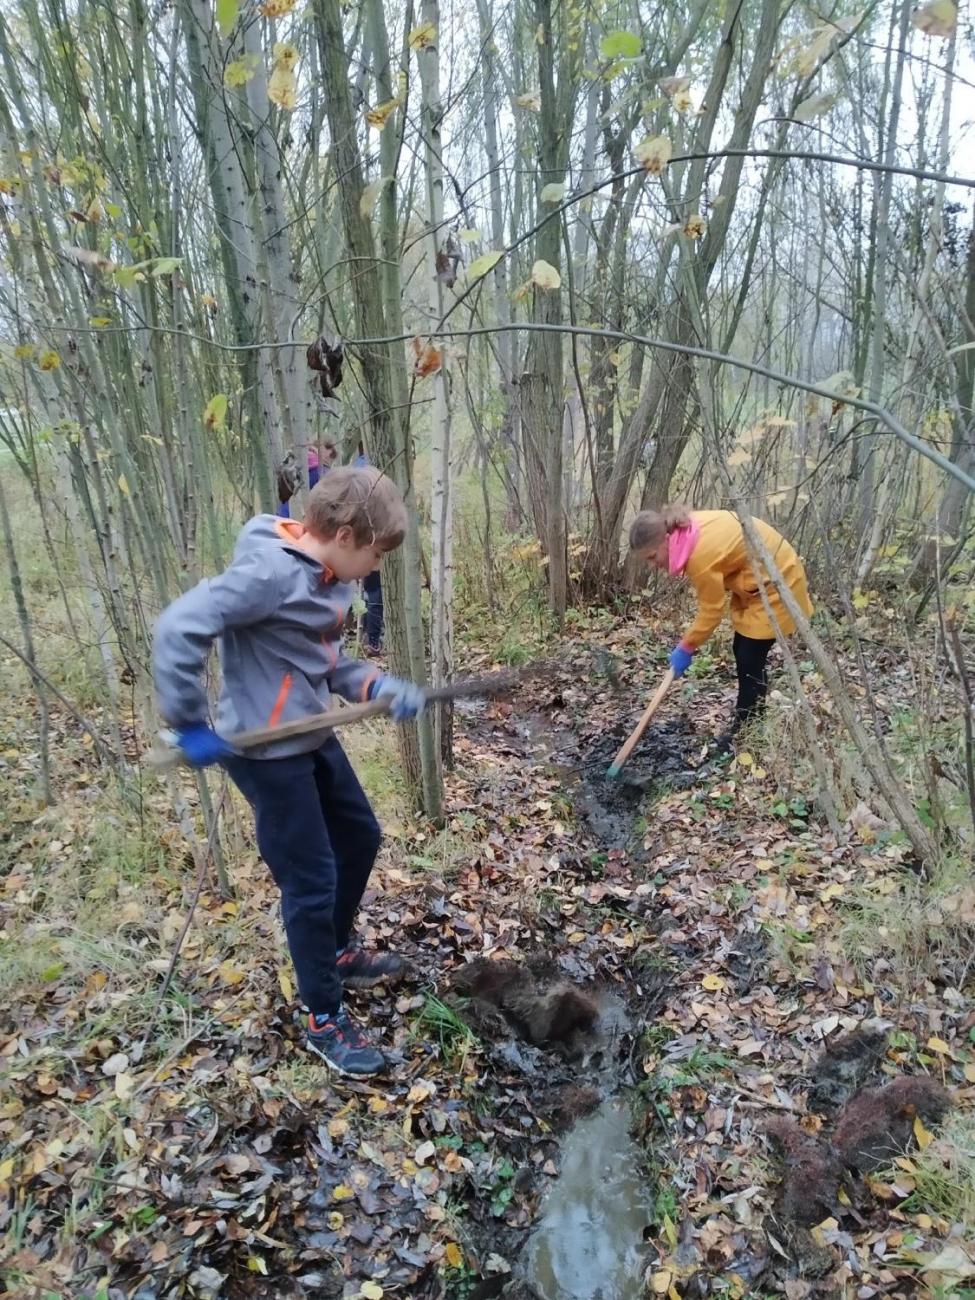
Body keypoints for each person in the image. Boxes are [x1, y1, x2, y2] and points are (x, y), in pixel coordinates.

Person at [153, 466, 425, 1076]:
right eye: (377, 554)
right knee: (310, 882)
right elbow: (178, 626)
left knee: (360, 837)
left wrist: (377, 684)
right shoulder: (270, 572)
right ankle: (322, 1017)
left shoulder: (325, 577)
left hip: (309, 735)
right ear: (349, 534)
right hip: (266, 754)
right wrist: (190, 720)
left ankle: (334, 948)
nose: (377, 569)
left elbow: (324, 662)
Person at [628, 505, 813, 747]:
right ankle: (751, 718)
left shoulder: (699, 555)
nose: (654, 565)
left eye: (653, 557)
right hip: (758, 580)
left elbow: (712, 611)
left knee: (749, 656)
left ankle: (747, 732)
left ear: (665, 539)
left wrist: (687, 646)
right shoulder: (685, 530)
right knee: (744, 651)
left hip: (779, 582)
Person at [352, 442, 383, 653]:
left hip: (355, 535)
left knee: (363, 586)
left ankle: (363, 633)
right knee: (374, 589)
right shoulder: (379, 472)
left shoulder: (354, 469)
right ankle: (372, 640)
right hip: (374, 534)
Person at [276, 441, 338, 518]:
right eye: (330, 455)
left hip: (289, 486)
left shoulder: (303, 453)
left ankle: (281, 516)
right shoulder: (321, 469)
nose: (328, 460)